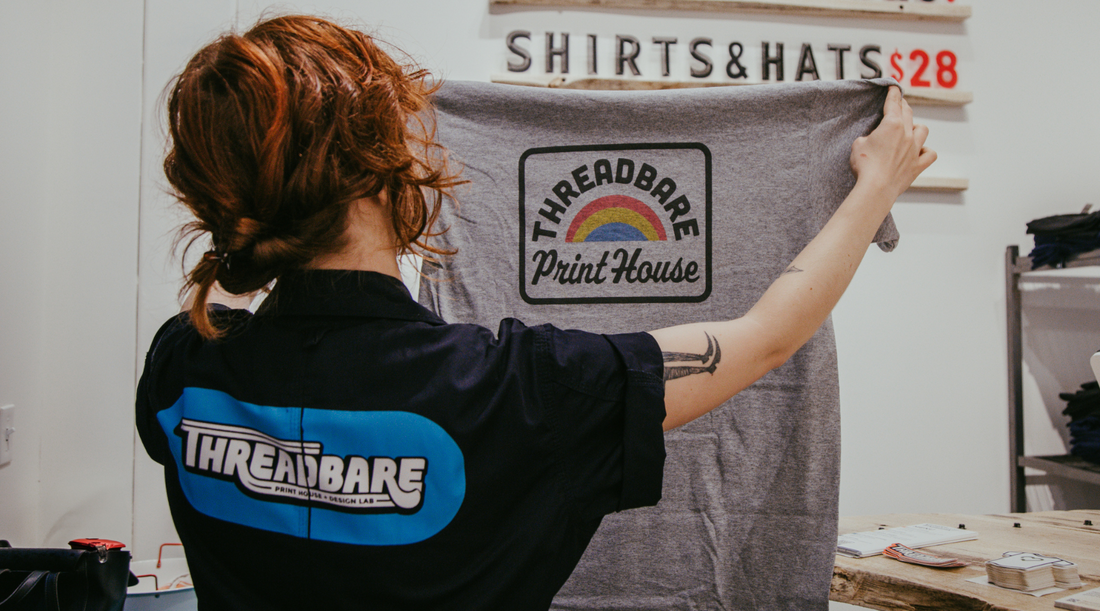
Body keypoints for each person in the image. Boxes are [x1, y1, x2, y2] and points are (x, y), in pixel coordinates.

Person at [135, 14, 934, 611]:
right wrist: (877, 185)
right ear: (379, 170)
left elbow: (245, 320)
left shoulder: (181, 369)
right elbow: (765, 339)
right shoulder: (513, 391)